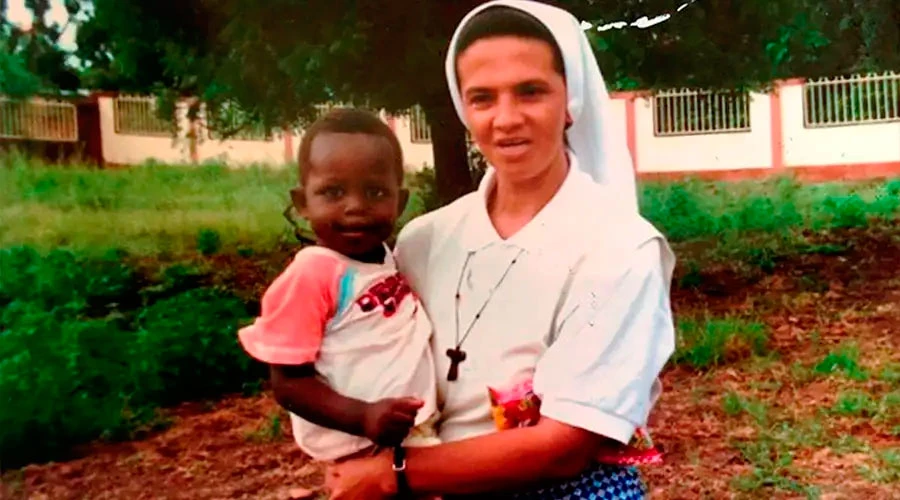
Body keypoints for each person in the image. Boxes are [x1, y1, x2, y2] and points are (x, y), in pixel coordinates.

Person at [324, 1, 676, 499]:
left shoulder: (619, 249)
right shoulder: (424, 240)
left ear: (570, 100)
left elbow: (566, 445)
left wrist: (393, 473)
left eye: (530, 92)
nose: (506, 119)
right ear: (463, 108)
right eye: (482, 98)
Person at [237, 108, 441, 465]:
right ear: (303, 203)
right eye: (333, 192)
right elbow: (289, 384)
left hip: (411, 435)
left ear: (400, 202)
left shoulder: (387, 258)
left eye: (375, 191)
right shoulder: (312, 274)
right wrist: (363, 416)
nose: (356, 207)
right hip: (361, 446)